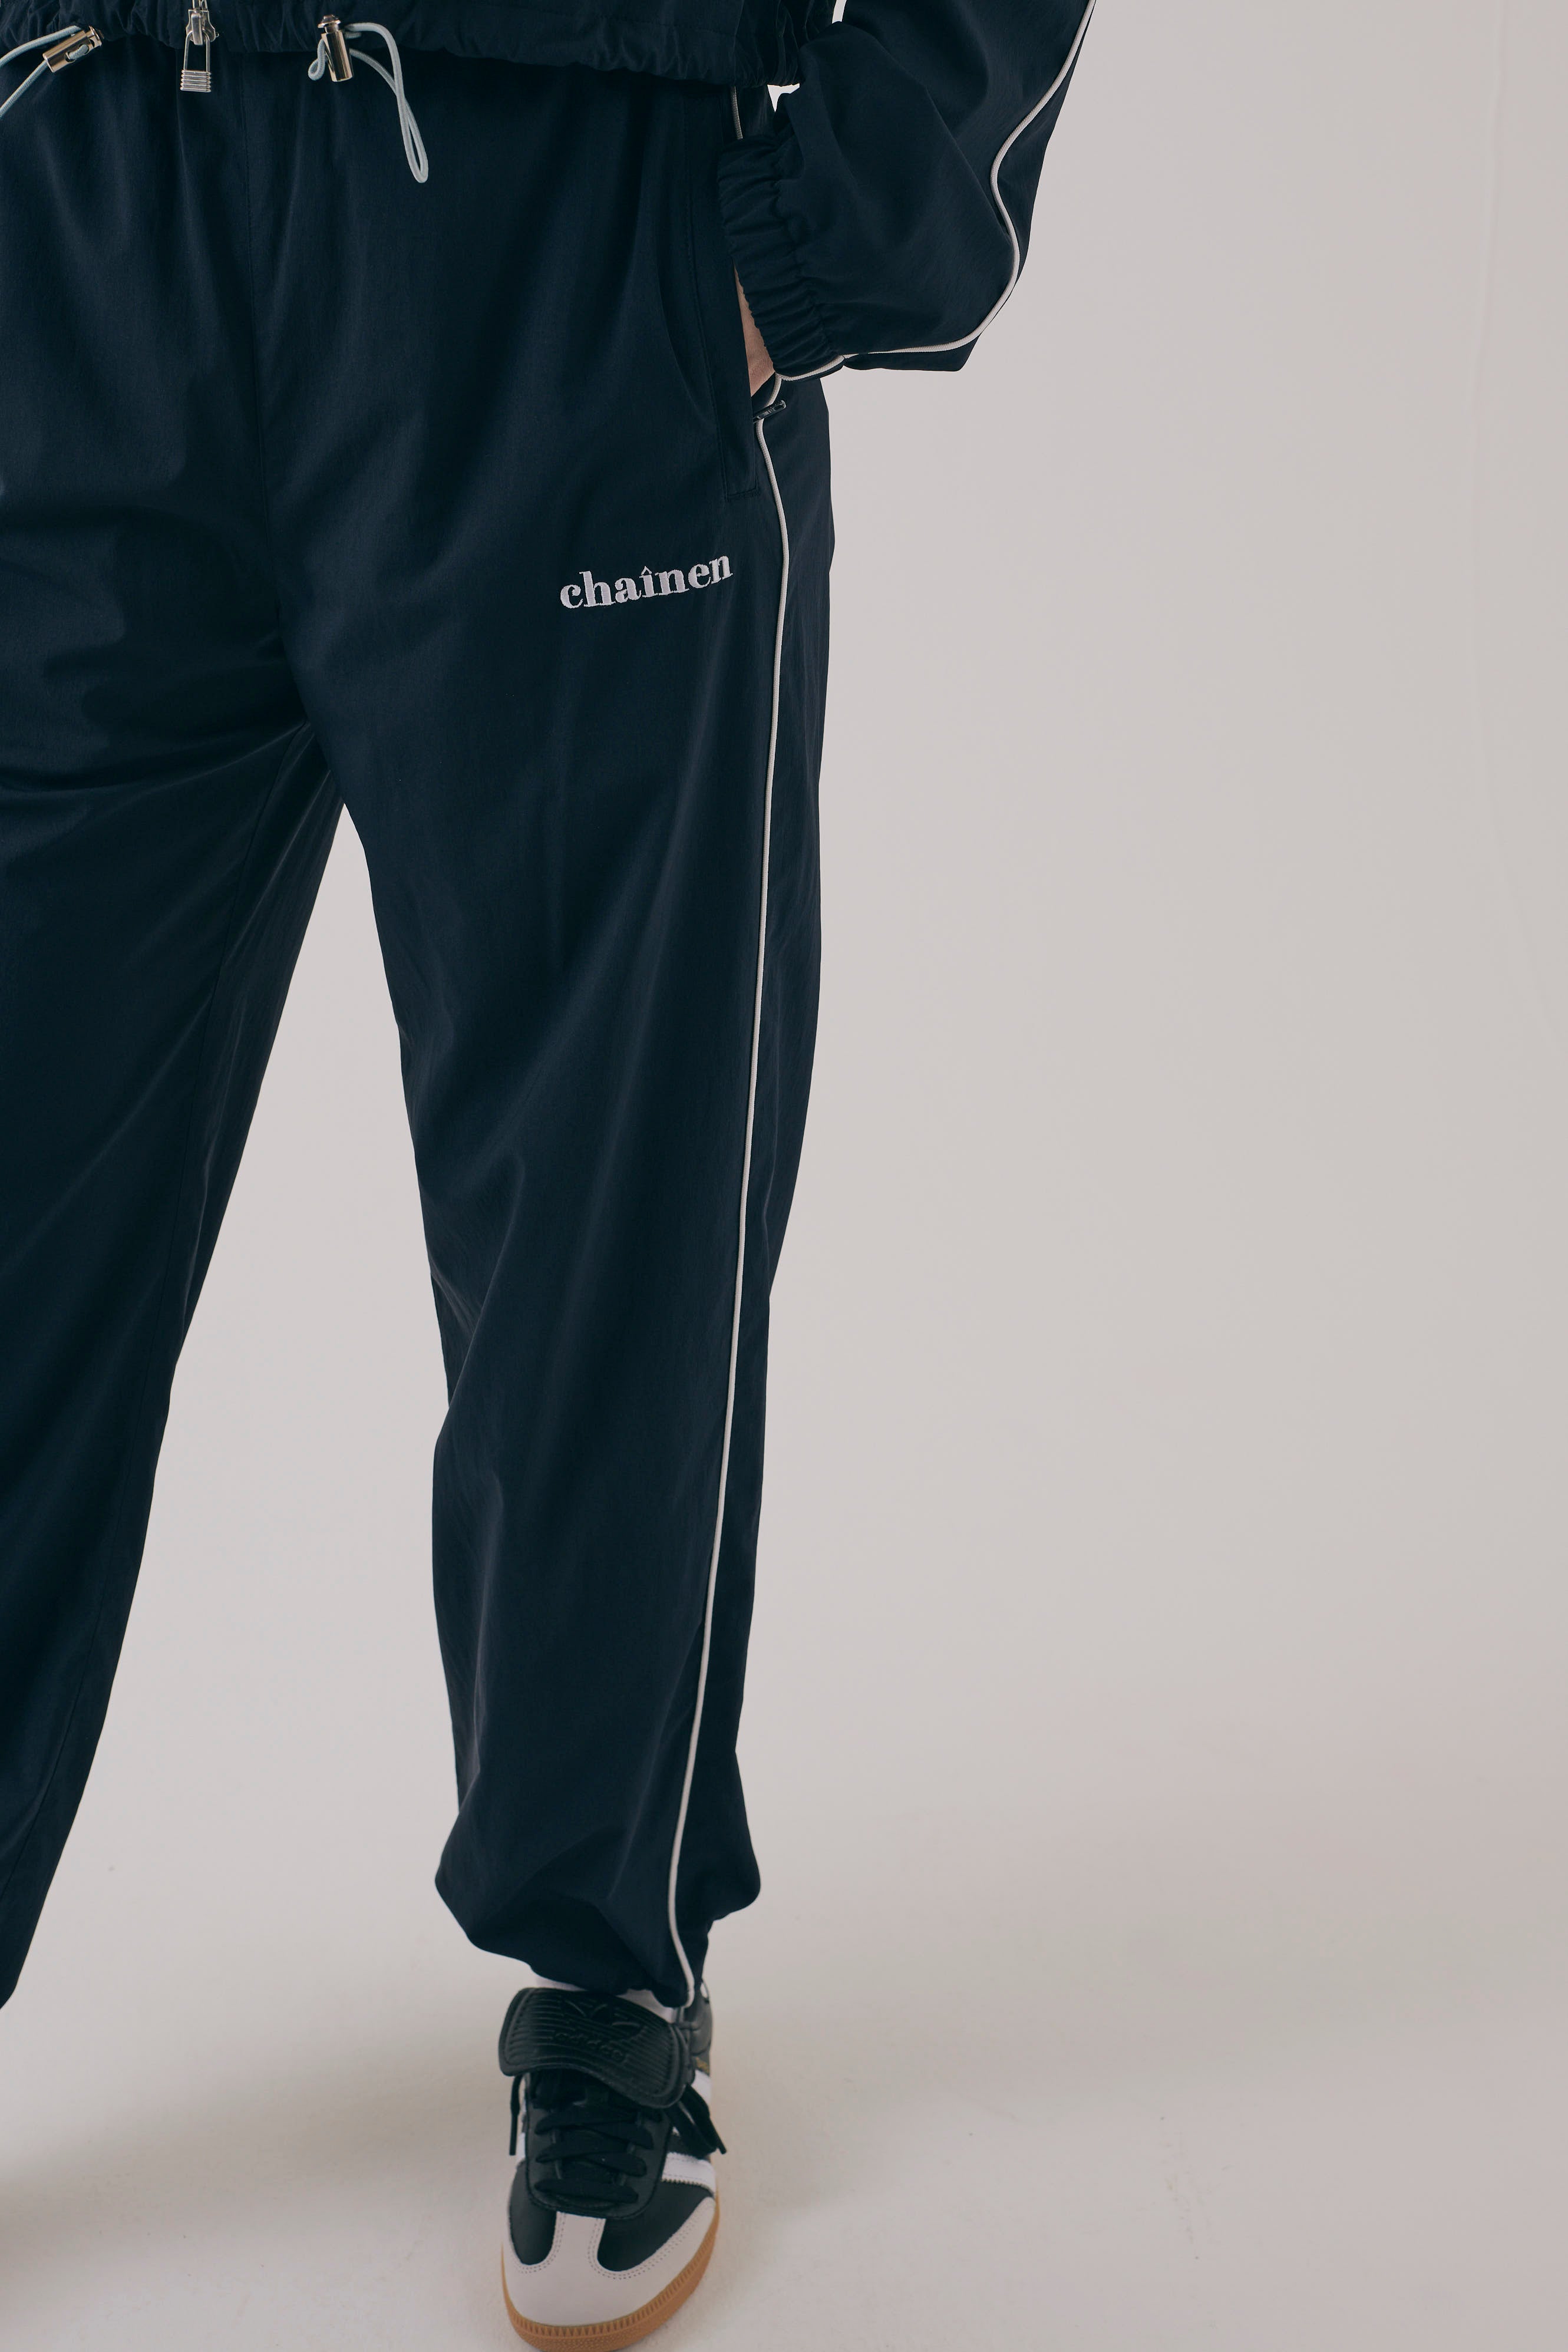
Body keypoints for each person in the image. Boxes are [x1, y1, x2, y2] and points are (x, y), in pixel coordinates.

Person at [0, 0, 1094, 2338]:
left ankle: (609, 1972)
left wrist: (846, 228)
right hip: (69, 186)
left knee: (605, 1207)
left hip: (552, 230)